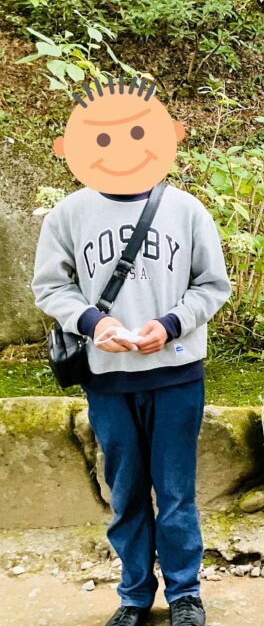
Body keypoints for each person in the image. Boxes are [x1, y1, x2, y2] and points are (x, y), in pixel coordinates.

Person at [32, 77, 231, 626]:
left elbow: (213, 285)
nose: (121, 148)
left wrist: (170, 325)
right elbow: (50, 286)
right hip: (108, 376)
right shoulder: (69, 214)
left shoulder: (187, 211)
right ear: (71, 149)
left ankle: (185, 595)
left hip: (176, 373)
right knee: (125, 493)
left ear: (170, 136)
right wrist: (93, 322)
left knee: (176, 492)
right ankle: (134, 595)